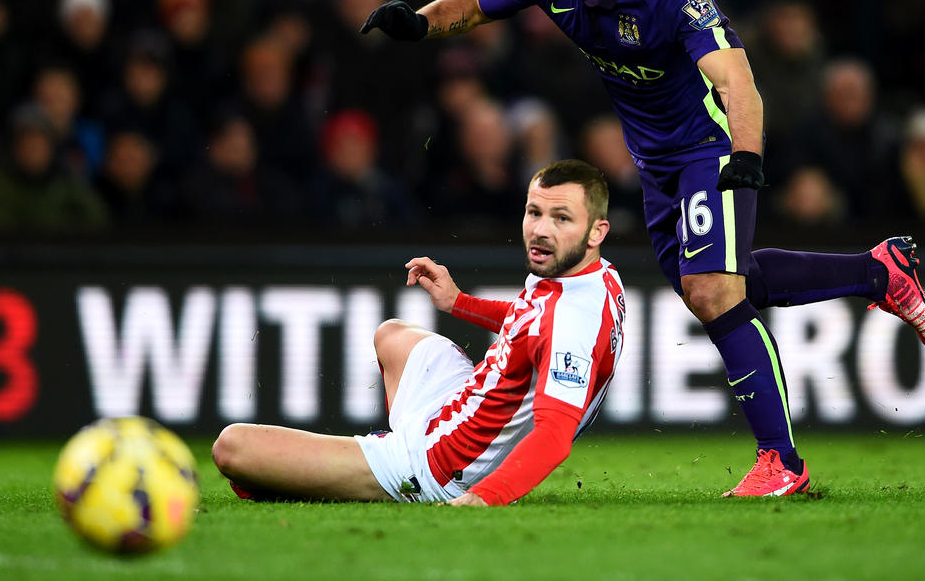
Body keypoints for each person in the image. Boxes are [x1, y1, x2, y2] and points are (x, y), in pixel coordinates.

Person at [360, 0, 925, 497]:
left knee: (711, 290)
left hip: (709, 148)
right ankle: (879, 271)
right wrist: (419, 24)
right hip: (656, 163)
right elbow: (476, 2)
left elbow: (738, 81)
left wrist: (747, 159)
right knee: (732, 283)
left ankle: (783, 462)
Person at [212, 159, 625, 505]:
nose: (540, 230)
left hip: (439, 464)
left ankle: (383, 468)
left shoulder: (571, 321)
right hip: (461, 400)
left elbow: (554, 436)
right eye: (534, 212)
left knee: (231, 448)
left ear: (596, 231)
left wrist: (486, 496)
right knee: (392, 335)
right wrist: (459, 302)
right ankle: (372, 451)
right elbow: (532, 321)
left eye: (561, 218)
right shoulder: (593, 275)